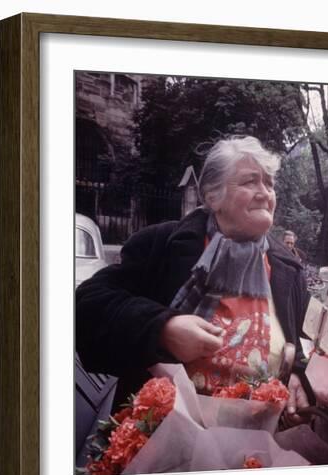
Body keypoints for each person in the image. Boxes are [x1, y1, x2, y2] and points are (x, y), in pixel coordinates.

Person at [76, 136, 312, 426]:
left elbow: (299, 344)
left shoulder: (288, 268)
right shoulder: (161, 245)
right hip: (164, 443)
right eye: (250, 182)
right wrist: (162, 328)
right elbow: (87, 308)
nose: (264, 193)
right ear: (213, 196)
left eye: (269, 184)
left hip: (255, 449)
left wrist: (298, 372)